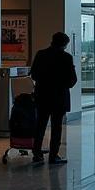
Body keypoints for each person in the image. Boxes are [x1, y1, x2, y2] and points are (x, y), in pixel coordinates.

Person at [30, 31, 77, 166]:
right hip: (59, 97)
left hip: (42, 95)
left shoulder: (41, 54)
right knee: (57, 127)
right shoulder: (66, 57)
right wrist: (63, 85)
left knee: (40, 125)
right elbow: (72, 79)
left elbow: (33, 75)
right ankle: (53, 155)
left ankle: (37, 154)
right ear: (64, 44)